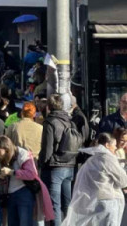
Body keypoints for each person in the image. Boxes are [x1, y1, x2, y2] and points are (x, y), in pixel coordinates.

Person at [64, 132, 127, 226]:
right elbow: (123, 181)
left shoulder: (91, 159)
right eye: (114, 145)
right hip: (108, 201)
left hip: (93, 202)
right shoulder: (108, 158)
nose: (115, 148)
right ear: (107, 145)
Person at [0, 135, 53, 226]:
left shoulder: (22, 154)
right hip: (10, 195)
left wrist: (11, 172)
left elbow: (31, 174)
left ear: (6, 149)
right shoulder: (1, 158)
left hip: (24, 193)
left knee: (25, 223)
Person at [39, 93, 80, 225]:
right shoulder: (69, 120)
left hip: (54, 167)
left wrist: (42, 164)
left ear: (49, 106)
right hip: (69, 165)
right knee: (67, 204)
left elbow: (47, 148)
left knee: (54, 205)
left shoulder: (50, 122)